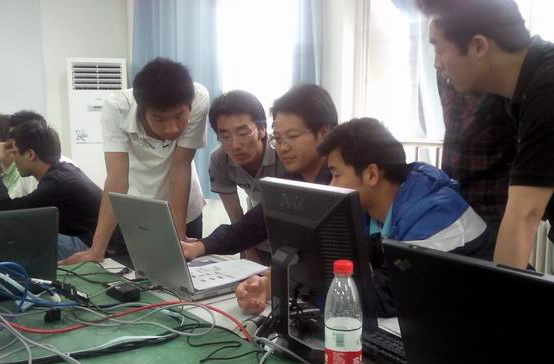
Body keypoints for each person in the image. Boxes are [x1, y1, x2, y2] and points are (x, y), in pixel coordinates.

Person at [237, 118, 493, 315]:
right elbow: (325, 262)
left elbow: (384, 299)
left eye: (336, 174)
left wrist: (302, 292)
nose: (331, 186)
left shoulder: (433, 216)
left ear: (371, 174)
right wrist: (271, 283)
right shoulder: (366, 210)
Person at [417, 0, 554, 269]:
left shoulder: (546, 87)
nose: (436, 64)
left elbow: (524, 215)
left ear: (478, 46)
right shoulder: (526, 89)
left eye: (439, 49)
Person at [181, 84, 338, 312]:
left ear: (323, 133)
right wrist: (202, 246)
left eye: (292, 136)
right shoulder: (293, 180)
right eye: (279, 139)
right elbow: (252, 224)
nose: (283, 147)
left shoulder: (344, 179)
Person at [60, 58, 209, 265]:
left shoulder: (198, 98)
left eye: (179, 116)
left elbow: (180, 166)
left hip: (184, 211)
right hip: (136, 213)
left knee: (181, 275)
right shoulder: (117, 108)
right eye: (159, 119)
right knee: (131, 274)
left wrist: (180, 237)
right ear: (142, 110)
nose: (172, 128)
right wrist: (96, 250)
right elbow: (117, 179)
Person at [0, 121, 102, 259]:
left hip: (93, 248)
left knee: (16, 235)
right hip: (94, 242)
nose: (14, 159)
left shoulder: (57, 184)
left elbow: (6, 214)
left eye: (15, 153)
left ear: (31, 154)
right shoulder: (64, 172)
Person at [208, 90, 285, 263]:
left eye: (243, 133)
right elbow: (235, 214)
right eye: (225, 136)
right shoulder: (219, 159)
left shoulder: (283, 153)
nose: (235, 145)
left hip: (292, 239)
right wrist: (249, 253)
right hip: (255, 235)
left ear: (262, 129)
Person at [437, 76, 517, 243]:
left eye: (441, 53)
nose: (437, 64)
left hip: (491, 213)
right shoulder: (446, 79)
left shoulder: (505, 87)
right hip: (451, 209)